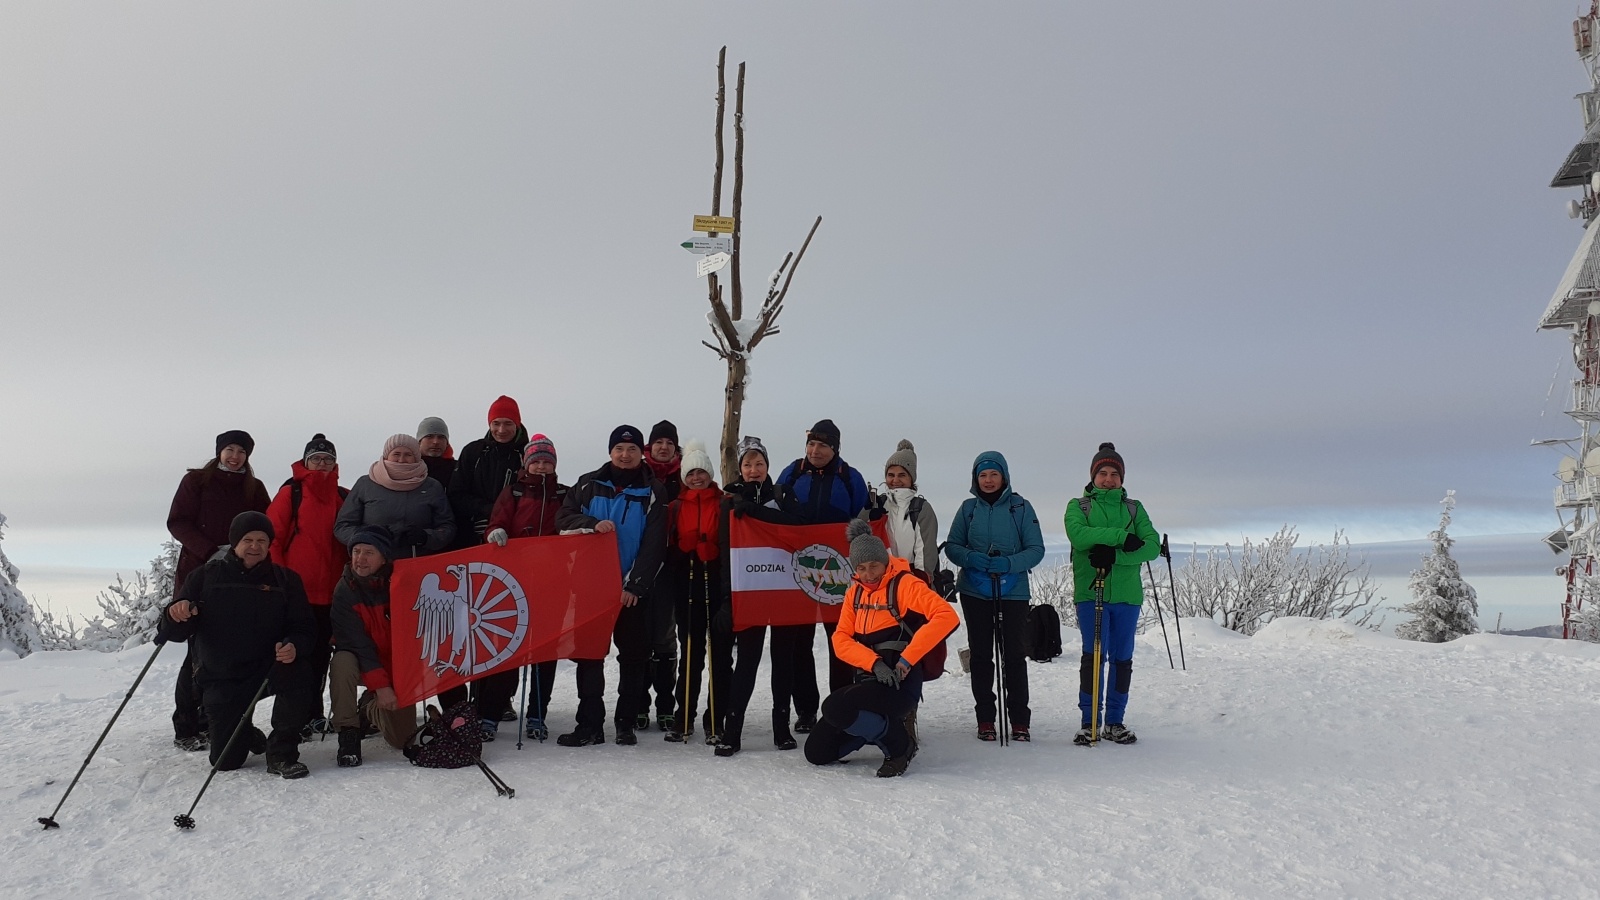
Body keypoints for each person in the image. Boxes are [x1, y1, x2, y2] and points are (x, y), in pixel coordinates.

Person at [158, 511, 317, 778]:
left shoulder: (285, 580)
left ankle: (281, 753)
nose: (255, 547)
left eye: (262, 540)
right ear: (235, 543)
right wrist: (175, 613)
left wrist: (294, 645)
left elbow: (304, 628)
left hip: (268, 669)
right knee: (226, 761)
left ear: (269, 544)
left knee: (300, 672)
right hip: (223, 676)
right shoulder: (204, 577)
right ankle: (244, 732)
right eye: (248, 540)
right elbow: (174, 632)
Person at [803, 519, 958, 777]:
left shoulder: (905, 584)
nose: (869, 574)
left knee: (834, 707)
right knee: (816, 753)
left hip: (899, 683)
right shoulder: (855, 593)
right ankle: (875, 729)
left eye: (874, 566)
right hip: (868, 680)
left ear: (885, 562)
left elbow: (946, 616)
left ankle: (900, 746)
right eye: (861, 568)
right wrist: (874, 663)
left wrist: (906, 660)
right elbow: (841, 639)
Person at [553, 425, 670, 747]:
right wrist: (589, 525)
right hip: (591, 588)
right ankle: (589, 724)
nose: (625, 454)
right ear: (610, 451)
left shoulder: (654, 490)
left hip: (631, 591)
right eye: (619, 448)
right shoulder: (588, 484)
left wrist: (635, 586)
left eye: (632, 449)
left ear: (640, 453)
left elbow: (655, 543)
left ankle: (625, 722)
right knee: (589, 656)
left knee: (633, 658)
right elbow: (563, 519)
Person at [165, 429, 271, 752]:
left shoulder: (254, 487)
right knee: (197, 650)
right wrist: (209, 549)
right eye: (230, 450)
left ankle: (216, 721)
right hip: (199, 573)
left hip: (239, 577)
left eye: (241, 451)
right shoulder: (196, 481)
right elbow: (177, 521)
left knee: (225, 650)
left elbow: (267, 523)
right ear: (219, 452)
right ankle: (186, 724)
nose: (235, 456)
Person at [943, 450, 1046, 742]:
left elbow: (1036, 549)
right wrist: (972, 558)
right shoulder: (968, 509)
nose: (988, 480)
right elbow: (952, 546)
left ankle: (1020, 721)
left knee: (1014, 655)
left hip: (1013, 591)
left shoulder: (1021, 508)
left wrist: (1010, 564)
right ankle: (985, 719)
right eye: (983, 475)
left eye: (994, 474)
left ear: (1004, 476)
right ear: (976, 478)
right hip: (975, 591)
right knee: (981, 656)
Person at [776, 419, 869, 733]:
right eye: (811, 444)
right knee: (798, 644)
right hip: (798, 571)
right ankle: (805, 710)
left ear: (835, 449)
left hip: (837, 573)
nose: (816, 451)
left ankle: (839, 710)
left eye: (823, 445)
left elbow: (862, 519)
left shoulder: (850, 478)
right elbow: (775, 513)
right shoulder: (792, 473)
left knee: (840, 641)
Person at [1063, 442, 1160, 746]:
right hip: (1092, 593)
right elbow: (1079, 536)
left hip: (1127, 595)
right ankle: (1089, 721)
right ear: (1093, 476)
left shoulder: (1134, 508)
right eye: (1102, 473)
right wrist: (1120, 537)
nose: (1108, 479)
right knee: (1094, 656)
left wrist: (1115, 556)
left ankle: (1114, 722)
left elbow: (1152, 546)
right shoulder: (1079, 506)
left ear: (1122, 478)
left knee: (1122, 658)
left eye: (1114, 474)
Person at [713, 436, 803, 756]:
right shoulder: (729, 501)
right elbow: (726, 555)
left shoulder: (782, 495)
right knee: (747, 661)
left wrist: (756, 512)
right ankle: (732, 730)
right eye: (748, 464)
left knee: (784, 660)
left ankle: (781, 727)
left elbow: (797, 527)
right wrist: (728, 599)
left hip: (784, 590)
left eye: (759, 463)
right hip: (750, 590)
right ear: (740, 469)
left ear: (768, 467)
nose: (753, 470)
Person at [479, 434, 568, 742]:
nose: (542, 467)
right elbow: (495, 523)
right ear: (527, 464)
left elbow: (572, 522)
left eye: (547, 461)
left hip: (551, 581)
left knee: (545, 651)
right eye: (537, 461)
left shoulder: (564, 493)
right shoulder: (513, 491)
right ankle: (490, 714)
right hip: (513, 582)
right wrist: (496, 532)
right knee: (507, 648)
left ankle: (537, 715)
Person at [266, 434, 348, 736]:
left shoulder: (344, 496)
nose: (322, 464)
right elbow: (272, 537)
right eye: (316, 458)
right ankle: (294, 718)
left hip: (333, 594)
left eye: (328, 459)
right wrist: (280, 581)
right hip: (297, 594)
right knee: (296, 657)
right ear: (305, 461)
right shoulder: (291, 493)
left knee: (319, 659)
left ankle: (313, 714)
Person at [328, 528, 418, 767]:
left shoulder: (401, 583)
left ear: (384, 558)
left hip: (396, 664)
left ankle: (368, 708)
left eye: (369, 552)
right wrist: (382, 686)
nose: (360, 558)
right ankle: (348, 731)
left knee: (402, 739)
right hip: (362, 661)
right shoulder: (345, 590)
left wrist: (396, 682)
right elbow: (357, 644)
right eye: (356, 551)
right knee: (342, 661)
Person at [660, 440, 731, 744]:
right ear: (684, 477)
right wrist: (681, 550)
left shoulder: (724, 501)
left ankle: (716, 718)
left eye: (701, 472)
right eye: (691, 473)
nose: (696, 477)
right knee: (691, 653)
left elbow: (734, 542)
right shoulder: (676, 506)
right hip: (687, 581)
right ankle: (683, 716)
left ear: (710, 473)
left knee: (720, 653)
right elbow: (665, 546)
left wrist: (715, 551)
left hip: (716, 581)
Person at [335, 434, 455, 557]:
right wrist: (367, 537)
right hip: (372, 566)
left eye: (408, 455)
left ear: (417, 457)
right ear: (387, 455)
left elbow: (447, 527)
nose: (401, 460)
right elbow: (343, 526)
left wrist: (426, 537)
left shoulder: (432, 486)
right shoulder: (366, 483)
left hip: (418, 565)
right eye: (396, 454)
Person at [638, 419, 683, 729]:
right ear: (649, 447)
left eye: (669, 443)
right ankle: (638, 703)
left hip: (673, 565)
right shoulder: (637, 475)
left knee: (666, 639)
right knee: (637, 638)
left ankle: (666, 705)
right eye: (658, 443)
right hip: (639, 564)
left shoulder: (686, 476)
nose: (663, 447)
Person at [449, 396, 527, 552]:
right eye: (496, 423)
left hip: (517, 537)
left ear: (517, 424)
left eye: (508, 423)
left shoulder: (529, 454)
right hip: (473, 536)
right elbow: (456, 494)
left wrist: (504, 515)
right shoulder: (473, 452)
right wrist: (486, 509)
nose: (501, 430)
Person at [860, 439, 942, 582]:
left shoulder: (920, 508)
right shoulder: (877, 504)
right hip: (878, 579)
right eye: (891, 475)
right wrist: (866, 511)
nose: (895, 480)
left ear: (911, 478)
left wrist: (921, 580)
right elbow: (856, 536)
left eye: (902, 475)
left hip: (909, 578)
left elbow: (925, 550)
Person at [416, 416, 456, 488]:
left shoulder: (458, 470)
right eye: (429, 436)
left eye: (441, 437)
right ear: (419, 441)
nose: (435, 442)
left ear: (447, 443)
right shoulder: (408, 468)